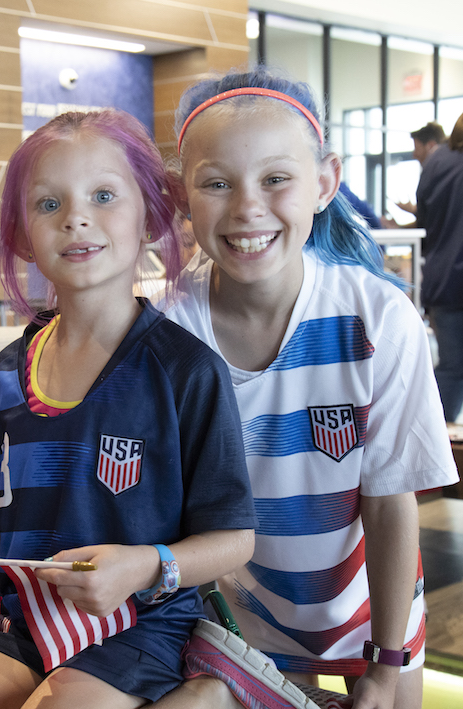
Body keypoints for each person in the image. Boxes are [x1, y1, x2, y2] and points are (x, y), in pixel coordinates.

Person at [0, 109, 257, 708]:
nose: (76, 218)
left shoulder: (185, 371)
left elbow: (233, 538)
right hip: (27, 627)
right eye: (49, 204)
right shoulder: (4, 375)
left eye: (103, 195)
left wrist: (143, 565)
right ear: (23, 233)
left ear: (151, 216)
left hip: (141, 630)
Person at [161, 67, 459, 709]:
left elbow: (388, 502)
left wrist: (383, 664)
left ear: (325, 183)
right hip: (240, 618)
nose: (247, 208)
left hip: (373, 610)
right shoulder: (169, 327)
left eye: (276, 179)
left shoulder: (378, 320)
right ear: (182, 195)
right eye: (217, 183)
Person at [415, 113, 463, 421]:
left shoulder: (436, 162)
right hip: (451, 278)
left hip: (441, 279)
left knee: (450, 367)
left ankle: (437, 446)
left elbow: (425, 217)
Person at [380, 121, 446, 227]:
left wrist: (414, 211)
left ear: (431, 146)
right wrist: (399, 227)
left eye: (417, 148)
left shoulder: (443, 177)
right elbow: (429, 223)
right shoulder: (439, 175)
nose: (414, 155)